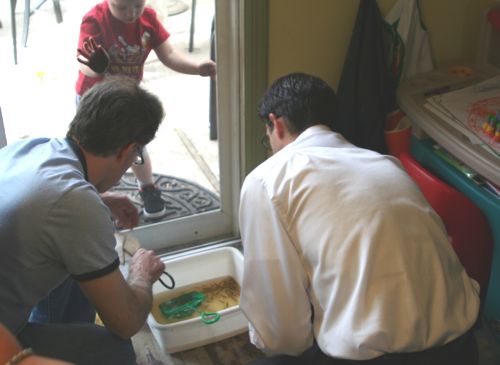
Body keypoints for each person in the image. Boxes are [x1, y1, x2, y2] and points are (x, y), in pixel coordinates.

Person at [238, 73, 480, 365]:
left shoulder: (266, 180)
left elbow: (282, 333)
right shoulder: (384, 164)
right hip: (464, 345)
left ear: (275, 124)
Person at [0, 77, 166, 365]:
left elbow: (43, 205)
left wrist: (99, 198)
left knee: (79, 257)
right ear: (127, 150)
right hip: (4, 339)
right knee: (116, 351)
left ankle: (58, 329)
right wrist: (141, 274)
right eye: (136, 155)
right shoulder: (74, 204)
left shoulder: (31, 149)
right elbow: (126, 324)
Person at [75, 0, 217, 219]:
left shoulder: (148, 20)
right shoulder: (95, 20)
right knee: (96, 151)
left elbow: (168, 54)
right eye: (122, 8)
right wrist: (93, 65)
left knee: (136, 147)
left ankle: (147, 187)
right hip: (96, 101)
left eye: (137, 5)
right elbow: (84, 64)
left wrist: (196, 68)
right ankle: (95, 196)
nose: (131, 13)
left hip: (127, 99)